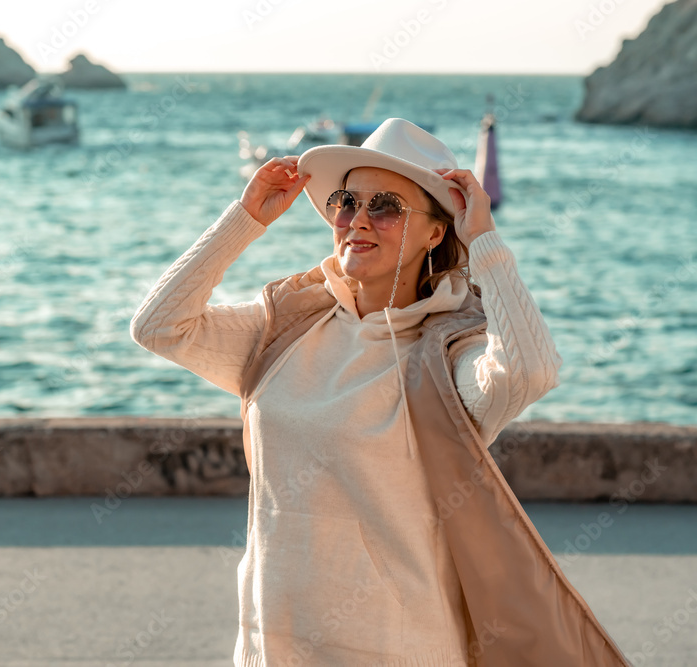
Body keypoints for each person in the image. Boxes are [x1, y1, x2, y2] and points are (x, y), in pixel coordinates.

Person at [130, 119, 629, 665]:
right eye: (347, 201)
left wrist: (484, 239)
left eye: (386, 205)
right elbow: (159, 327)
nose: (358, 220)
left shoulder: (445, 356)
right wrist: (245, 220)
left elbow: (531, 372)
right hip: (272, 646)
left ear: (436, 232)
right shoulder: (285, 327)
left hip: (398, 648)